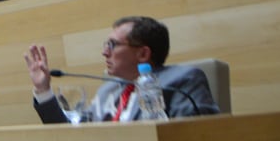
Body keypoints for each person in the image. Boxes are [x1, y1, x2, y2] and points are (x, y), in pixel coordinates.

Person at [25, 16, 218, 122]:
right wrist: (43, 91)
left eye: (112, 45)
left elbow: (197, 137)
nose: (104, 52)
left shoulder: (182, 80)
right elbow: (72, 136)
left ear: (143, 54)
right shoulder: (109, 88)